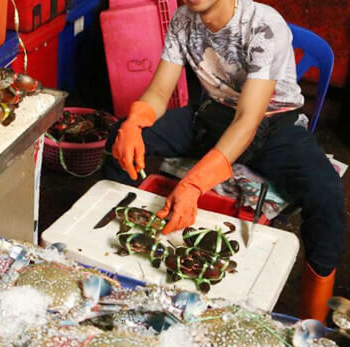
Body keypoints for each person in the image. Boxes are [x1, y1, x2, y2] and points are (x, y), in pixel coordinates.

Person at [104, 0, 345, 321]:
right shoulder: (183, 18)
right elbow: (160, 93)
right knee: (123, 138)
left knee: (327, 196)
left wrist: (193, 183)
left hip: (274, 126)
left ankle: (313, 324)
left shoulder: (263, 24)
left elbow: (248, 120)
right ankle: (118, 257)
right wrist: (135, 122)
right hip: (211, 116)